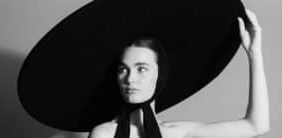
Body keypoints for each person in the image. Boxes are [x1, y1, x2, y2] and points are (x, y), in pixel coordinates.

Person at [88, 9, 270, 138]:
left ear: (160, 74)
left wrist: (255, 54)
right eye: (123, 70)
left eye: (141, 69)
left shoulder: (177, 132)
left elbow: (257, 126)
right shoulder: (104, 134)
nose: (130, 79)